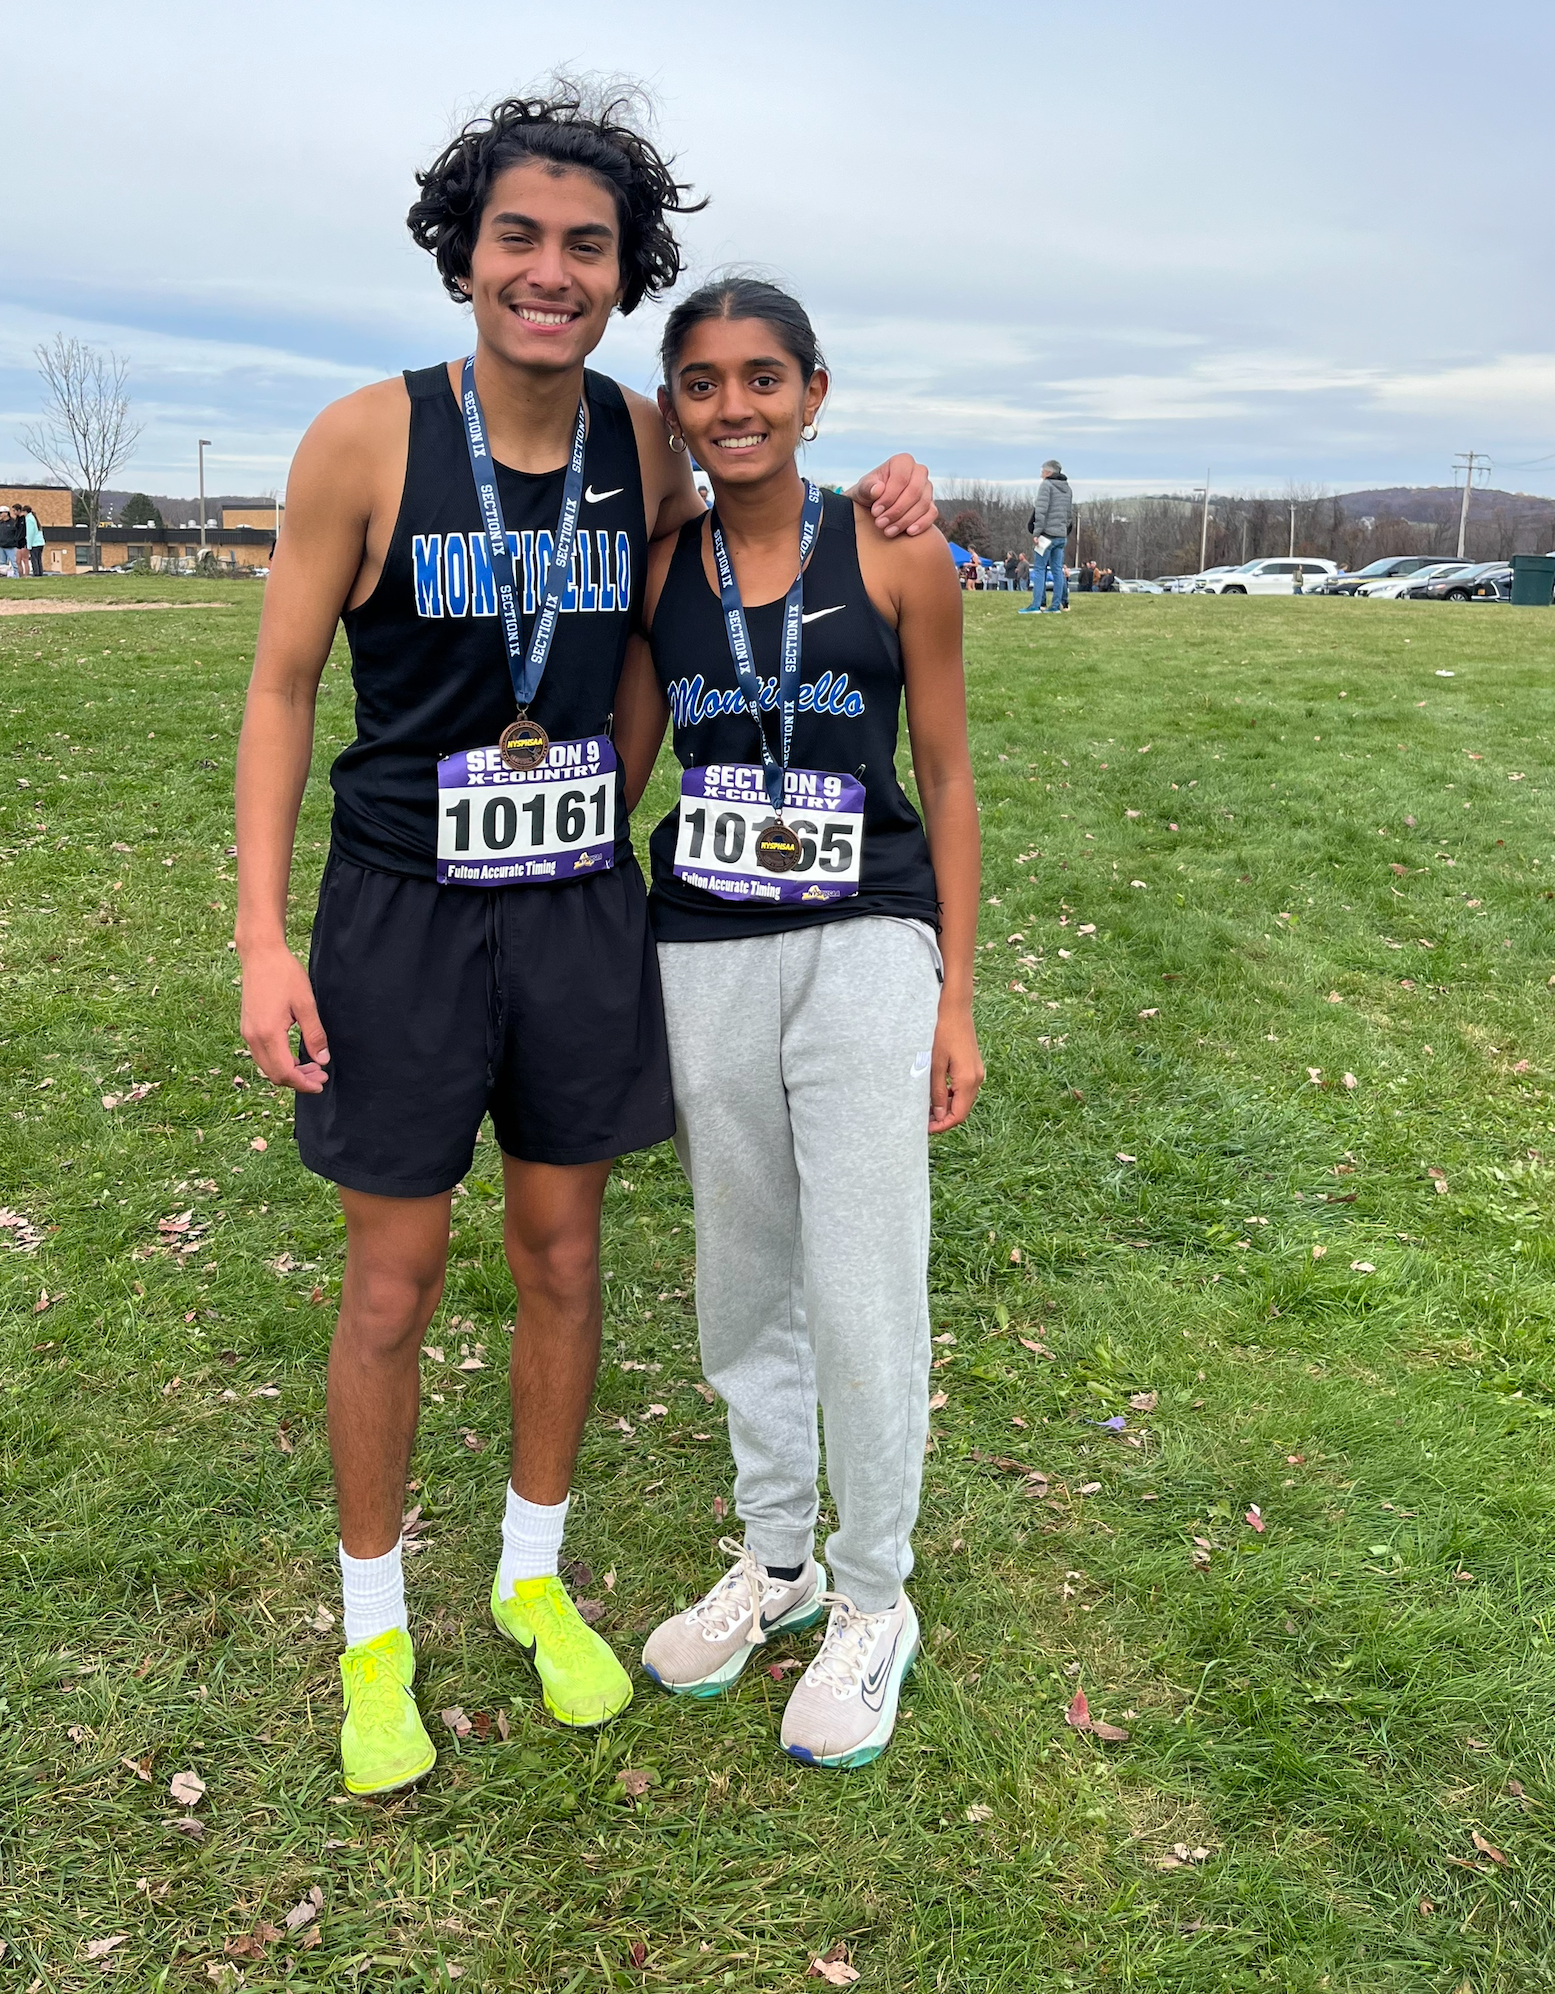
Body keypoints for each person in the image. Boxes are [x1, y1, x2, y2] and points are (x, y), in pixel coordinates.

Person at [232, 89, 937, 1799]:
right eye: (518, 239)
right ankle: (375, 1632)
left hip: (572, 912)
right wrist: (260, 934)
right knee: (391, 1285)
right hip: (399, 915)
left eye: (587, 248)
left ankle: (534, 1581)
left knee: (561, 1260)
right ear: (464, 254)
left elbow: (775, 508)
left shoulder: (645, 441)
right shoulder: (362, 442)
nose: (549, 273)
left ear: (626, 275)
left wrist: (908, 497)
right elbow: (279, 685)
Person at [612, 276, 983, 1769]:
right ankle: (778, 1562)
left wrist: (958, 992)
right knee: (743, 1265)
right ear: (676, 408)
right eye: (702, 385)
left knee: (862, 1274)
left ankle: (875, 1597)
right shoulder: (659, 569)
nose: (735, 408)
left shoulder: (899, 552)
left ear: (815, 394)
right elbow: (627, 763)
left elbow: (948, 778)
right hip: (704, 940)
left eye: (765, 380)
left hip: (867, 938)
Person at [1022, 460, 1074, 614]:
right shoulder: (1067, 488)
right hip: (1061, 535)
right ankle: (1055, 606)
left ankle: (1036, 605)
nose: (1041, 474)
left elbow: (1041, 511)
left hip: (1046, 536)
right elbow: (1069, 515)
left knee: (1039, 569)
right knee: (1058, 570)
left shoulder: (1046, 486)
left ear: (1049, 472)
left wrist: (1037, 533)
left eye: (1043, 471)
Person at [0, 506, 22, 577]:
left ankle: (17, 576)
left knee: (14, 563)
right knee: (2, 563)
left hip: (11, 547)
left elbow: (17, 533)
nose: (0, 514)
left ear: (6, 513)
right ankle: (3, 577)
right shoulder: (0, 522)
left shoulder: (13, 522)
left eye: (1, 513)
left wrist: (13, 542)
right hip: (1, 546)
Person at [21, 503, 46, 577]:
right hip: (40, 542)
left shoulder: (29, 519)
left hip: (35, 543)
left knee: (34, 559)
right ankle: (40, 572)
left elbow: (30, 533)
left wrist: (29, 545)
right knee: (38, 559)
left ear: (25, 512)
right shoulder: (33, 518)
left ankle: (36, 573)